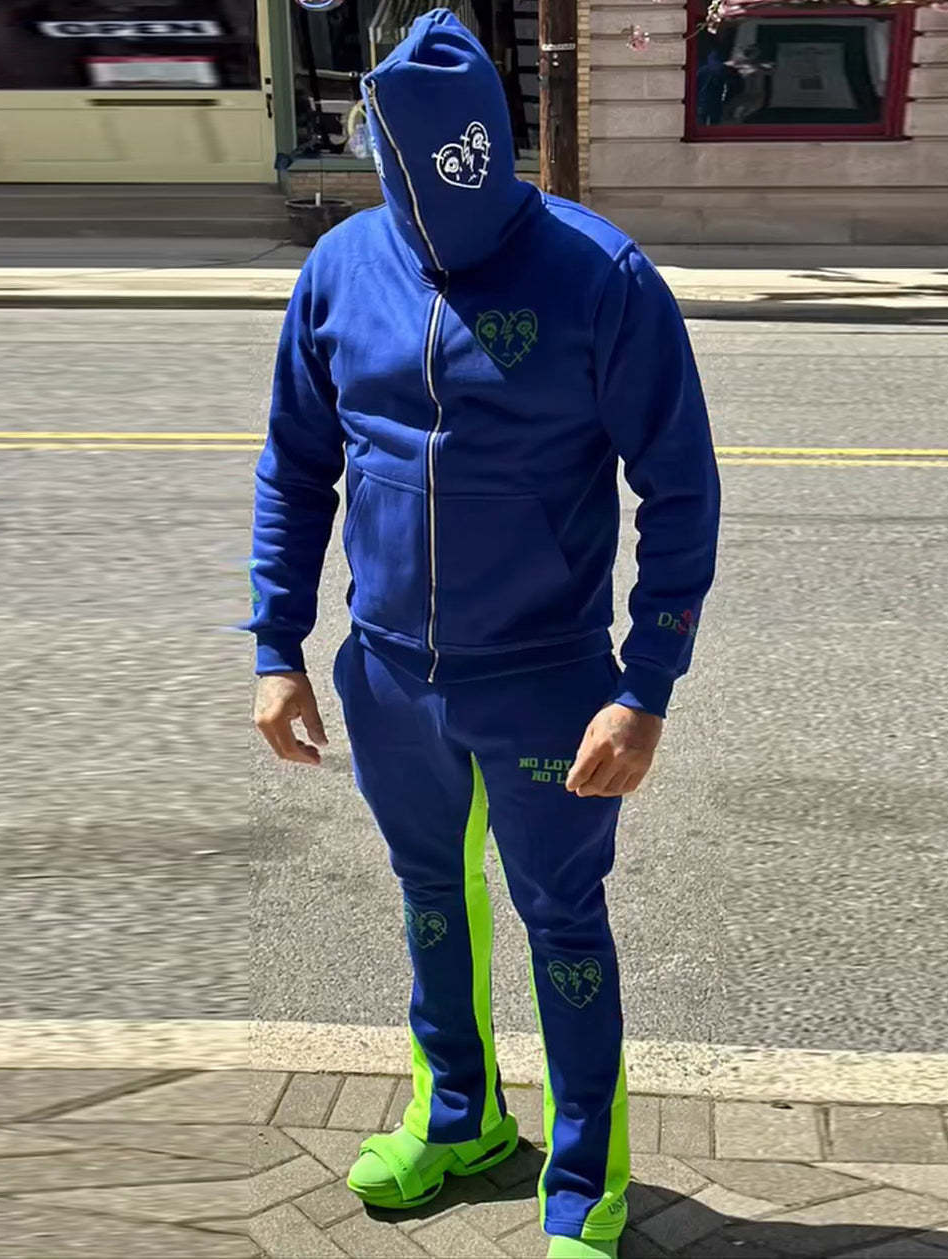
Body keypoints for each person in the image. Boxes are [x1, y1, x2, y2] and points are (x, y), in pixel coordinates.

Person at [246, 11, 720, 1257]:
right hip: (387, 672)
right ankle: (457, 1117)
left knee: (562, 920)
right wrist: (276, 645)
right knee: (429, 897)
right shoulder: (340, 268)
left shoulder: (599, 276)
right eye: (411, 177)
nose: (437, 211)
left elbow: (678, 489)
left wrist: (644, 685)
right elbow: (296, 465)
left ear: (486, 146)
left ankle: (583, 1178)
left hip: (546, 679)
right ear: (380, 153)